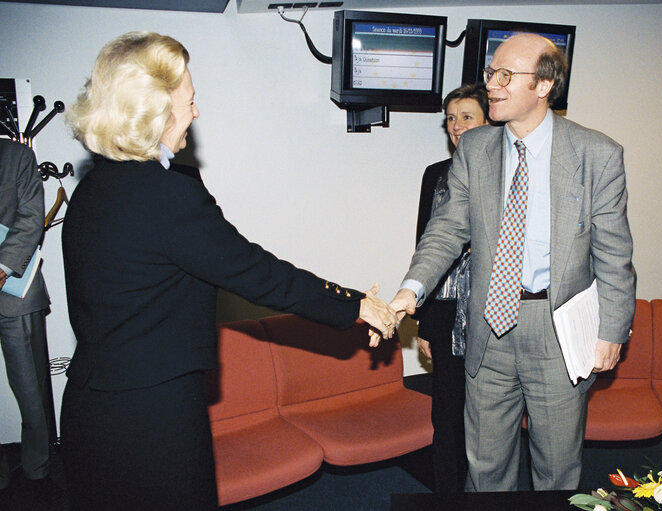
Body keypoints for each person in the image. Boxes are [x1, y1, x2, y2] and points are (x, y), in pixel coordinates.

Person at [60, 31, 398, 511]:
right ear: (154, 110)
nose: (196, 113)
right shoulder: (166, 194)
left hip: (90, 407)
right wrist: (356, 304)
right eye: (190, 101)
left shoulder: (91, 191)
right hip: (153, 418)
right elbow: (258, 273)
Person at [388, 33, 636, 491]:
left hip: (556, 329)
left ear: (543, 86)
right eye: (490, 74)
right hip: (487, 327)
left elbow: (615, 254)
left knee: (556, 469)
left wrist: (611, 332)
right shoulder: (476, 149)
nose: (492, 86)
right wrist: (411, 289)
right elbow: (445, 230)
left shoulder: (596, 155)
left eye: (506, 75)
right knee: (484, 466)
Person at [413, 84, 489, 493]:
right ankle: (447, 495)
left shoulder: (508, 173)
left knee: (487, 418)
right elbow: (425, 246)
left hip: (492, 315)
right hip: (443, 312)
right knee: (446, 414)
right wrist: (423, 323)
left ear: (489, 121)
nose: (457, 127)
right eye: (451, 118)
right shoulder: (434, 175)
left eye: (467, 117)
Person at [0, 139, 54, 497]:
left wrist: (2, 268)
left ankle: (37, 473)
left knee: (31, 389)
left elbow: (32, 215)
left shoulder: (17, 155)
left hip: (13, 293)